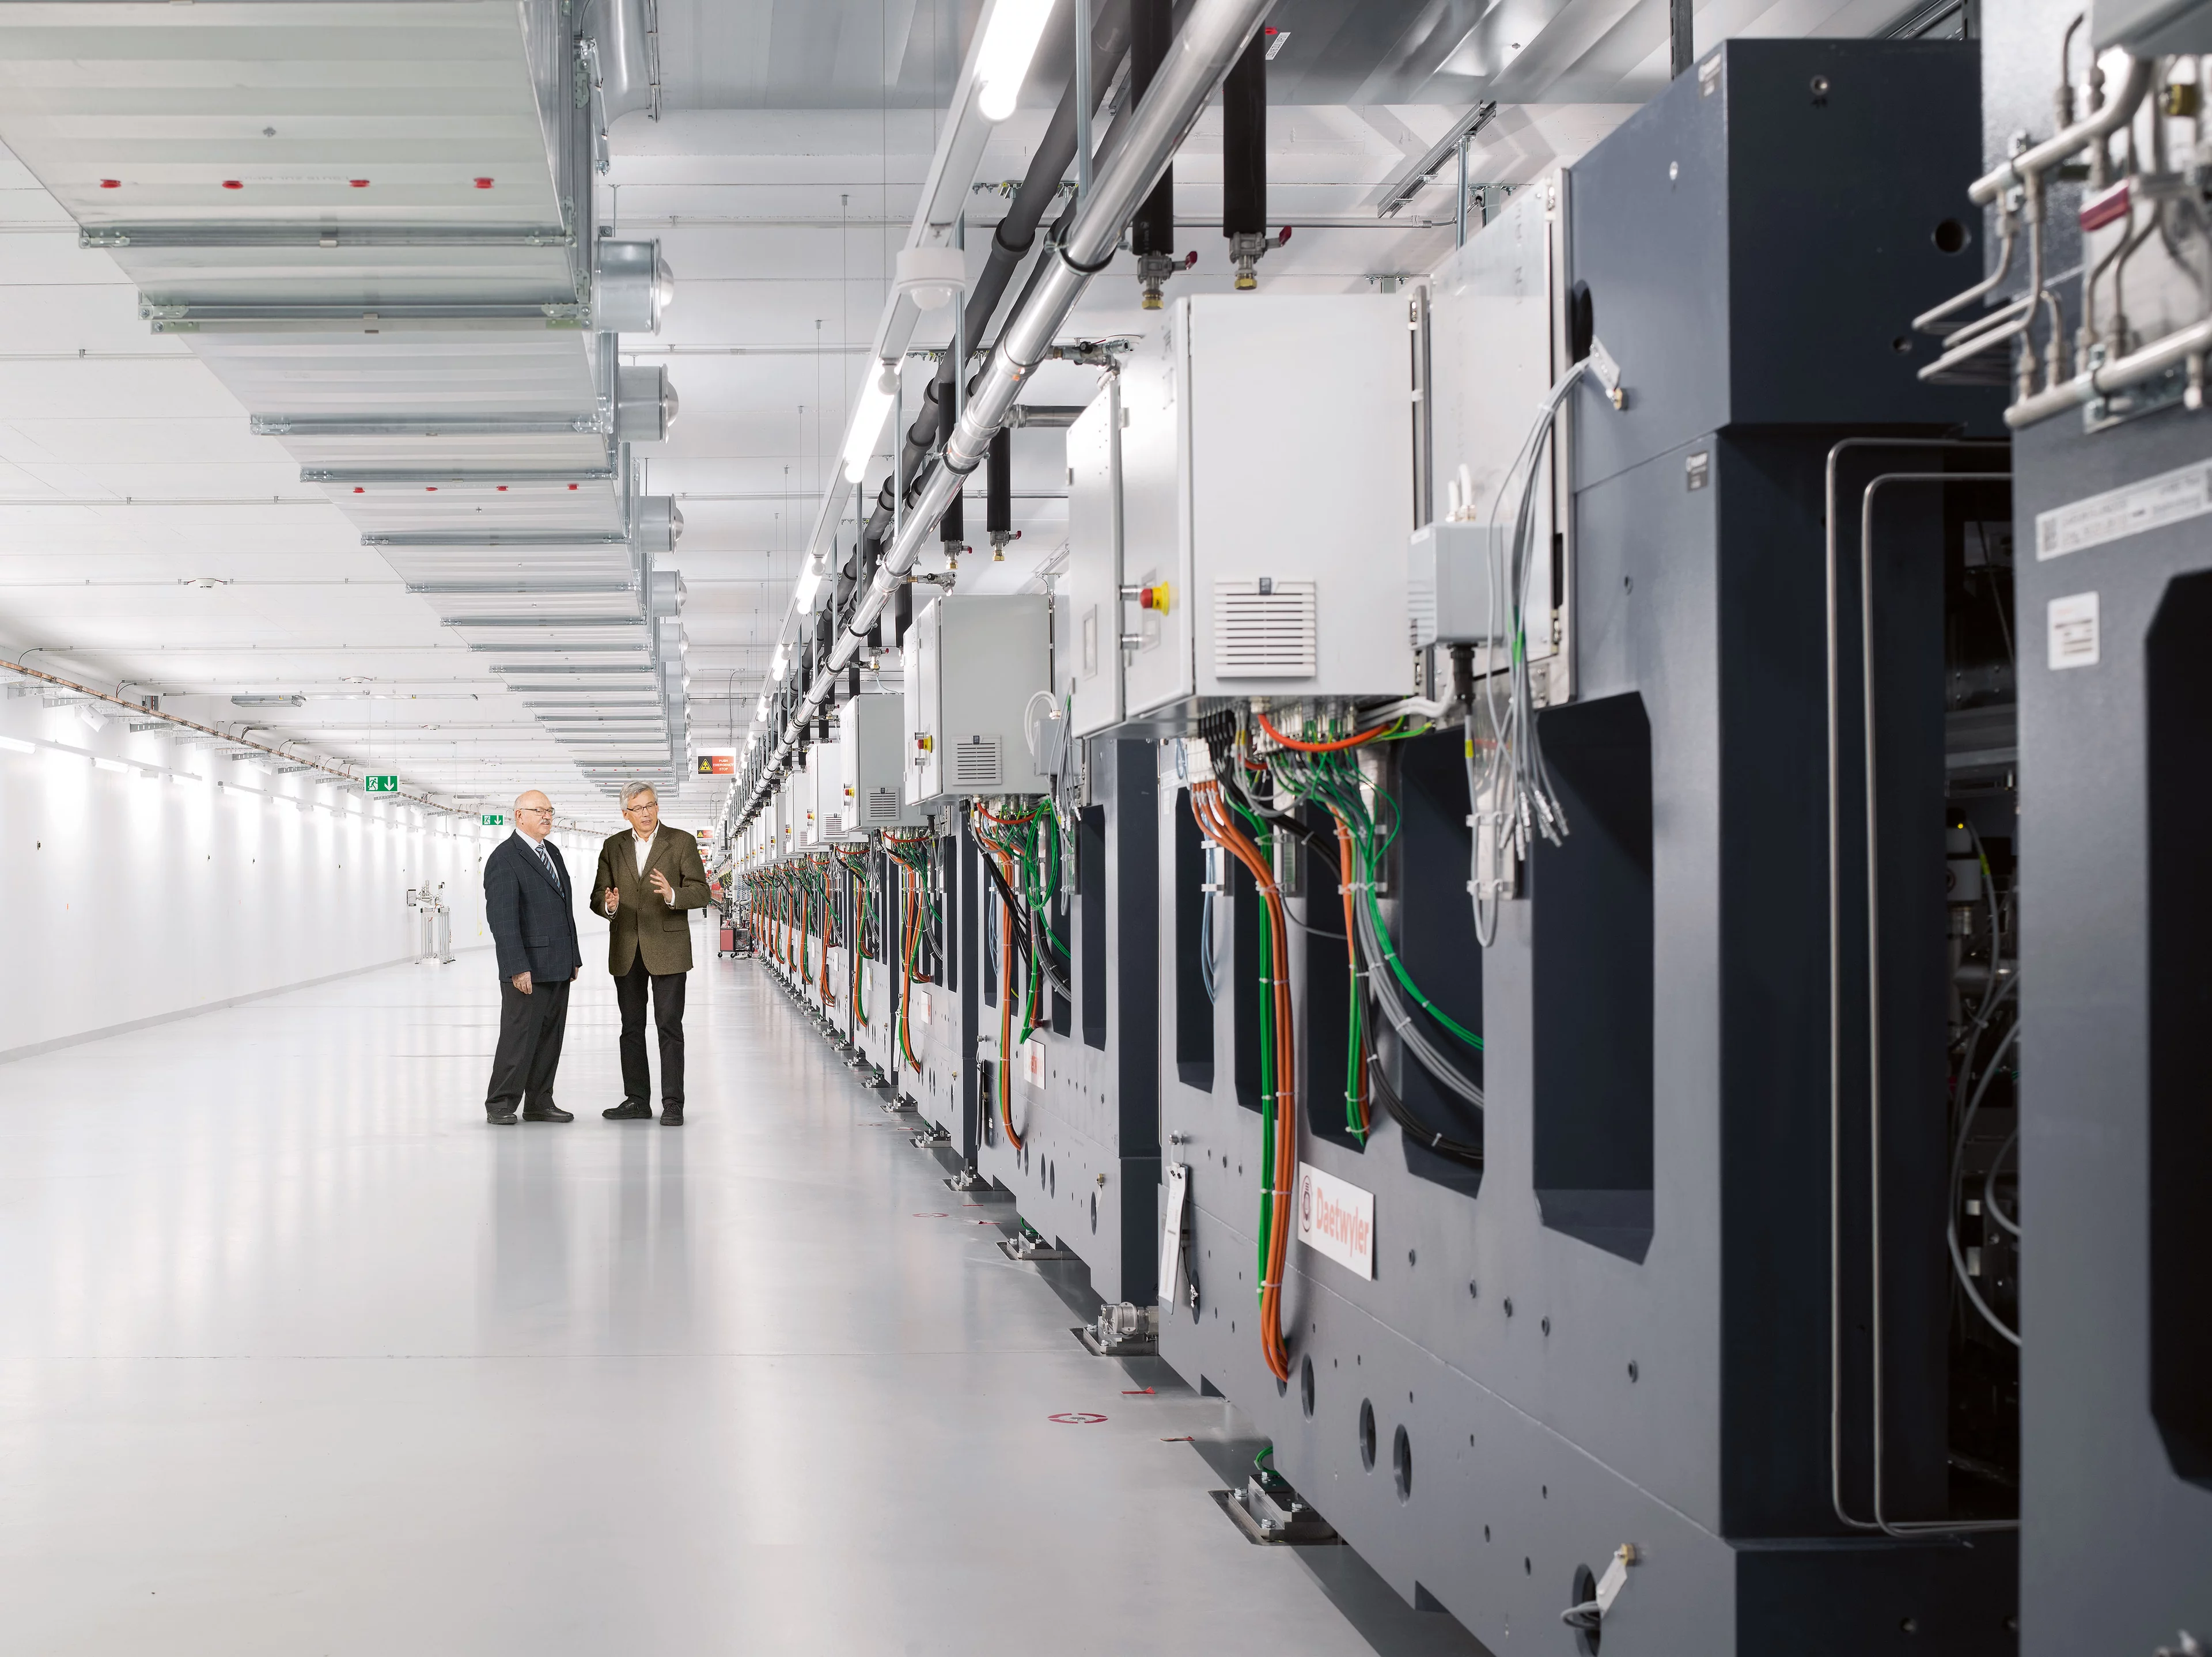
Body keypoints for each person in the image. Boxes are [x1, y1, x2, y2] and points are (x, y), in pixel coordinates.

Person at [594, 782, 710, 1124]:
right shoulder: (613, 846)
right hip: (627, 948)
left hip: (668, 948)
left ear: (657, 807)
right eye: (638, 808)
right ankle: (637, 1100)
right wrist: (609, 905)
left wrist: (674, 895)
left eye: (651, 806)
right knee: (631, 1027)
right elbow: (598, 894)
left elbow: (701, 892)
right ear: (625, 813)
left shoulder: (682, 842)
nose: (646, 813)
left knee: (669, 1026)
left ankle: (673, 1103)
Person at [482, 790, 581, 1125]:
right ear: (518, 816)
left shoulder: (551, 852)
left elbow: (564, 908)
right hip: (527, 968)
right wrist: (517, 967)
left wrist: (574, 958)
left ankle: (540, 1101)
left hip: (557, 963)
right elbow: (503, 919)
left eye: (550, 810)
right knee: (518, 1036)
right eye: (539, 810)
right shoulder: (504, 857)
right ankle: (500, 1103)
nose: (547, 816)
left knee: (550, 1037)